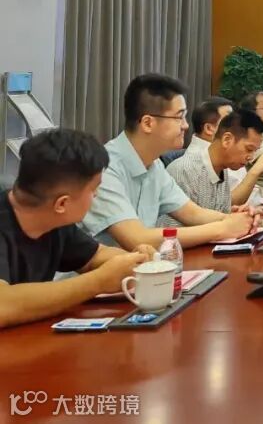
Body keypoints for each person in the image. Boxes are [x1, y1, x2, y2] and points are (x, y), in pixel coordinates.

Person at [80, 74, 260, 249]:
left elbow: (192, 213)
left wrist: (234, 218)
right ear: (148, 123)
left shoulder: (154, 165)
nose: (185, 125)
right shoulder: (104, 167)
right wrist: (221, 229)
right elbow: (137, 239)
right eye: (179, 117)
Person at [0, 129, 156, 328]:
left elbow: (95, 256)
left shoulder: (53, 220)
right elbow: (3, 305)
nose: (96, 195)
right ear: (62, 204)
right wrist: (98, 282)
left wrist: (134, 260)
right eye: (93, 189)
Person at [168, 109, 263, 213]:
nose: (251, 157)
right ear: (227, 140)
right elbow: (173, 228)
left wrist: (238, 215)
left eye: (254, 151)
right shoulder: (185, 170)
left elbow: (219, 214)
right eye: (249, 149)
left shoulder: (222, 169)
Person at [185, 97, 245, 188]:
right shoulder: (197, 163)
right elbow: (228, 196)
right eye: (229, 121)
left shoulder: (225, 148)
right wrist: (255, 172)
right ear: (209, 128)